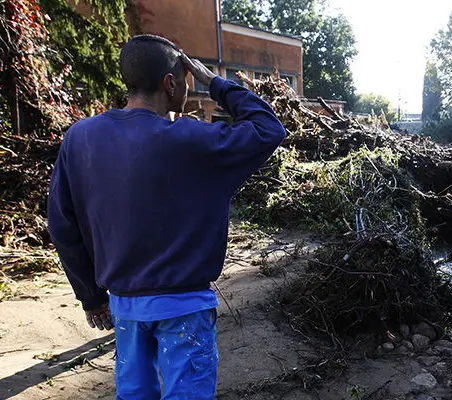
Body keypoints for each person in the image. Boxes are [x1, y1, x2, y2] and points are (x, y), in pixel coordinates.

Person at [47, 34, 286, 399]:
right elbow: (269, 128)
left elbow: (62, 224)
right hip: (185, 308)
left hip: (124, 307)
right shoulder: (194, 141)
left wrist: (91, 296)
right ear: (170, 83)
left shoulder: (80, 138)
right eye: (187, 81)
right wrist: (216, 82)